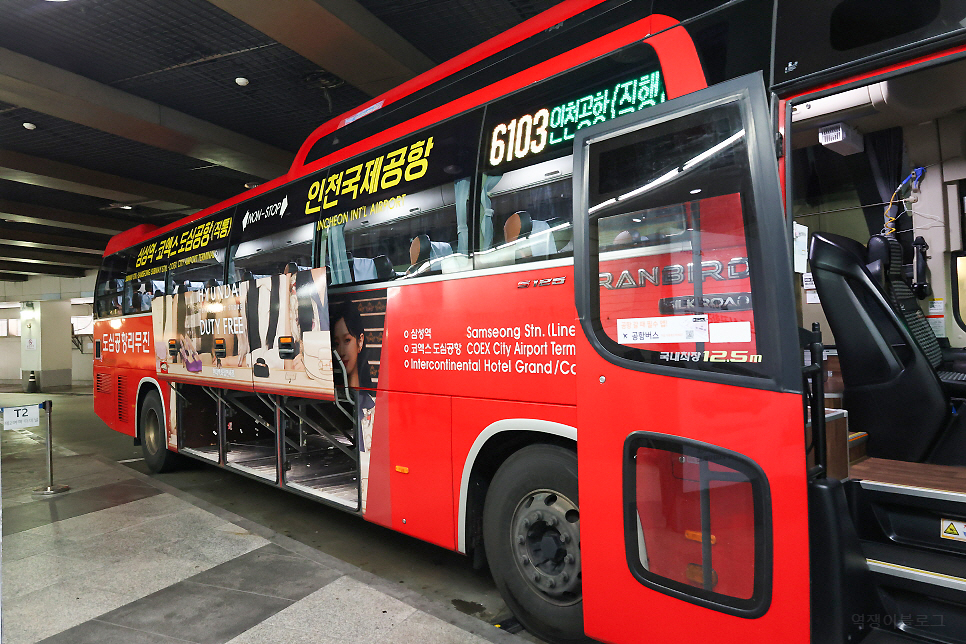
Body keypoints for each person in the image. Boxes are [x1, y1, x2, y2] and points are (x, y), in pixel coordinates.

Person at [330, 300, 371, 389]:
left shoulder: (369, 401)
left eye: (347, 340)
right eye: (336, 343)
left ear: (360, 341)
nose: (341, 352)